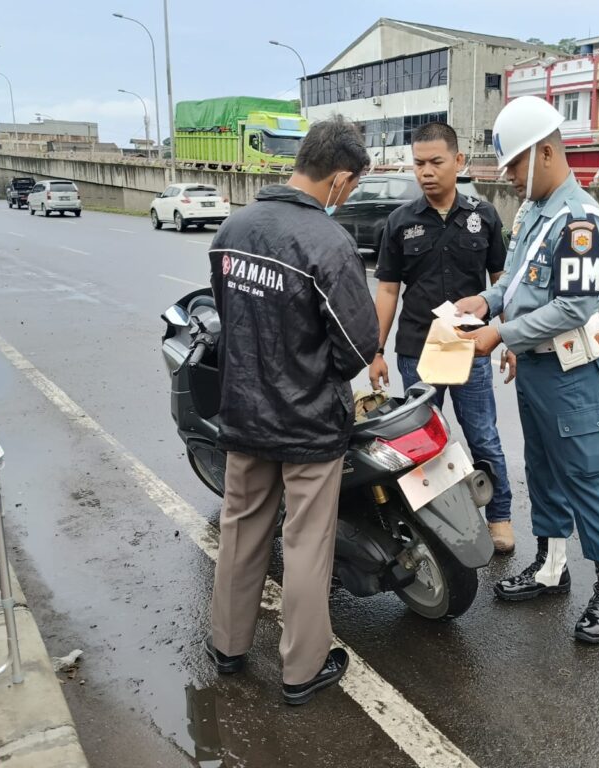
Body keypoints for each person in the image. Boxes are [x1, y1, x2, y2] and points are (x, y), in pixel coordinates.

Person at [204, 117, 379, 705]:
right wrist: (320, 376)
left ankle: (227, 647)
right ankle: (302, 671)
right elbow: (358, 345)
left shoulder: (232, 228)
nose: (347, 195)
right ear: (338, 178)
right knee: (306, 544)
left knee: (241, 528)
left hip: (244, 413)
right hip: (308, 423)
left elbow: (230, 316)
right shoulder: (329, 243)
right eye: (351, 185)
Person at [456, 96, 599, 645]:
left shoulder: (579, 222)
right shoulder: (537, 212)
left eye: (513, 165)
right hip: (533, 365)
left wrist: (501, 333)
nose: (507, 177)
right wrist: (484, 303)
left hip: (571, 370)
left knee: (584, 475)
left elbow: (572, 308)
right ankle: (552, 566)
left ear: (545, 153)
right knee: (544, 469)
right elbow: (518, 282)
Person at [368, 122, 516, 554]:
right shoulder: (399, 222)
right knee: (422, 441)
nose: (426, 171)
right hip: (418, 351)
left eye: (436, 162)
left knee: (482, 435)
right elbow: (388, 290)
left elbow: (500, 281)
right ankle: (433, 526)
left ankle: (500, 516)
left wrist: (506, 337)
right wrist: (376, 351)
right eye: (419, 163)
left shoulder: (483, 215)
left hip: (470, 348)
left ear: (459, 161)